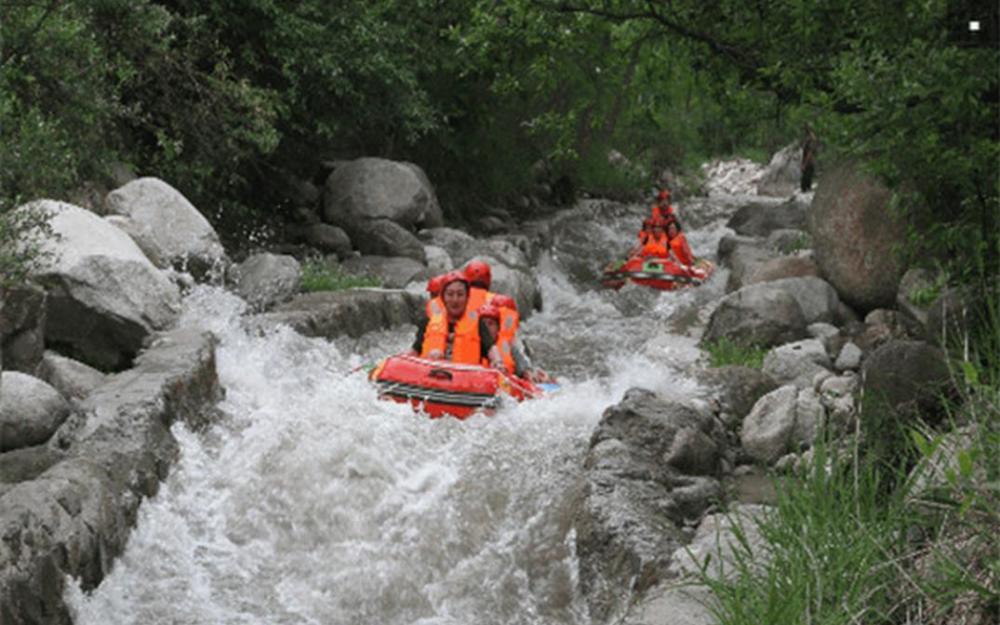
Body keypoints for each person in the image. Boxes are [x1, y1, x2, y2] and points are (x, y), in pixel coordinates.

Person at [412, 271, 495, 364]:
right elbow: (413, 352)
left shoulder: (478, 324)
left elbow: (491, 350)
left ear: (467, 298)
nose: (455, 300)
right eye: (450, 294)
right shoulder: (428, 322)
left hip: (466, 375)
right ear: (443, 297)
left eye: (460, 295)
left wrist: (498, 362)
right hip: (431, 373)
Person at [478, 301, 551, 383]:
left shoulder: (511, 345)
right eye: (483, 324)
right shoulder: (473, 345)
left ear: (498, 328)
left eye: (490, 324)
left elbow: (524, 367)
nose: (486, 328)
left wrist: (528, 373)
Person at [800, 125, 818, 192]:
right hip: (808, 164)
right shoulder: (808, 138)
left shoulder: (811, 138)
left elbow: (809, 153)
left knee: (805, 186)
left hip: (809, 164)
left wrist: (804, 165)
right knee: (806, 185)